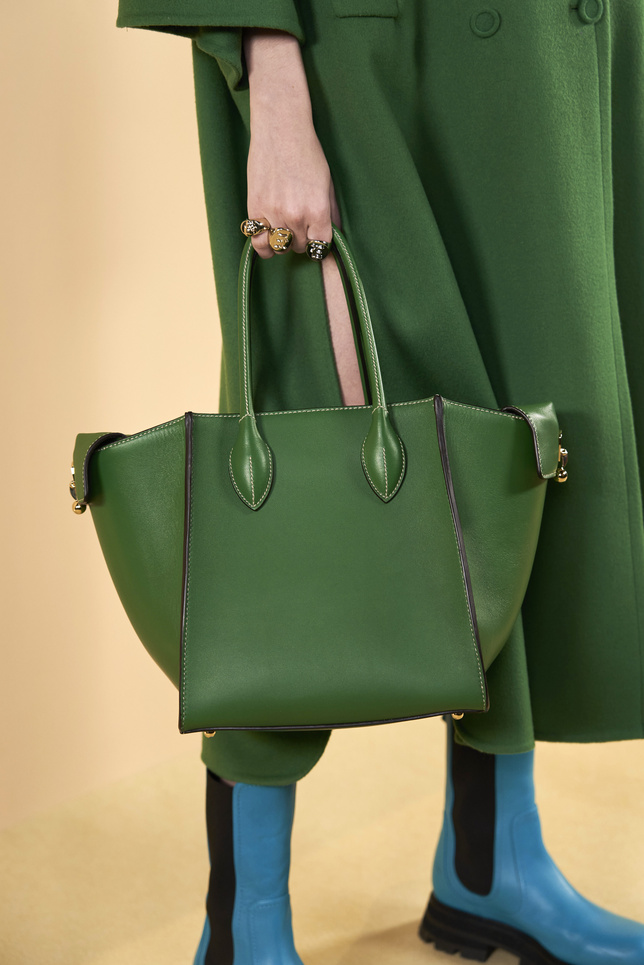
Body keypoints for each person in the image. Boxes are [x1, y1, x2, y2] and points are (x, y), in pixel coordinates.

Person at [115, 2, 644, 963]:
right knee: (295, 481)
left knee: (525, 454)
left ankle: (492, 865)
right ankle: (243, 924)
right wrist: (274, 92)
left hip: (563, 62)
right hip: (362, 58)